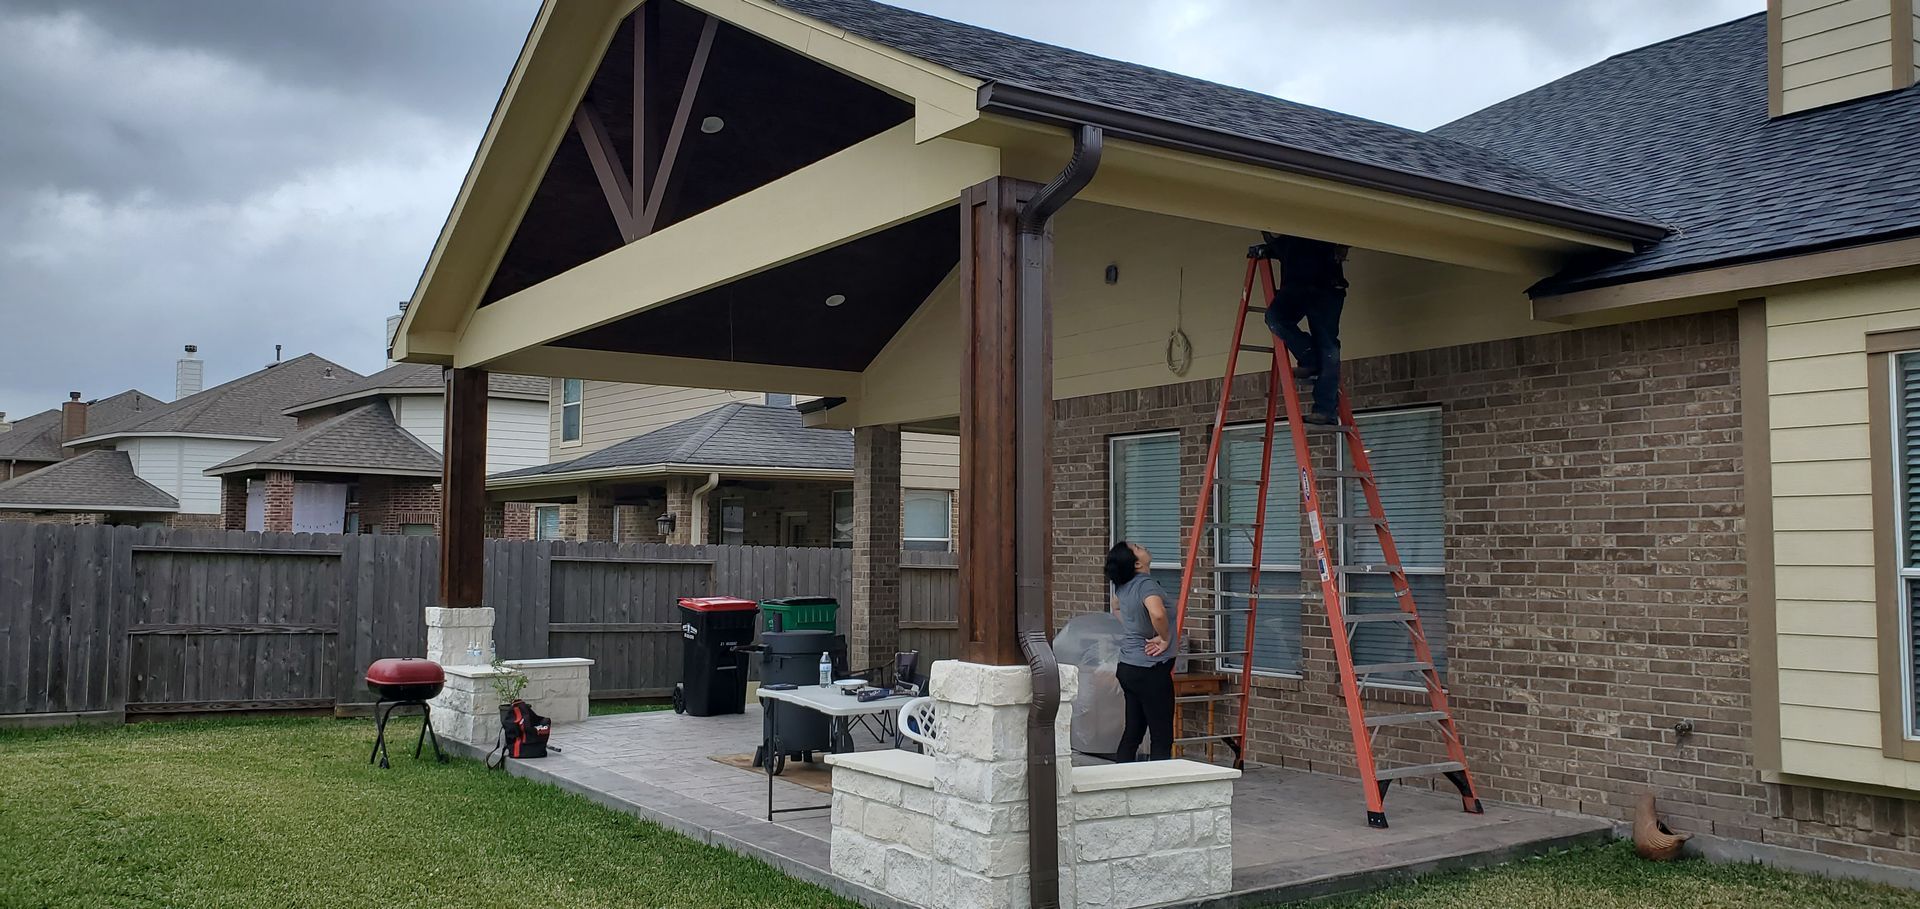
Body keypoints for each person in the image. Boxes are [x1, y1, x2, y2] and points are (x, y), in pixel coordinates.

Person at [1261, 235, 1349, 424]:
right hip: (1296, 288)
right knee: (1275, 318)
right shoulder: (1286, 236)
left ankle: (1325, 410)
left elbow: (1347, 233)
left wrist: (1342, 244)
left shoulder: (1319, 226)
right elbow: (1271, 240)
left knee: (1328, 347)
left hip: (1326, 287)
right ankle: (1310, 358)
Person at [1105, 540, 1173, 762]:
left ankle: (1121, 782)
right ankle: (1159, 790)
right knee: (1161, 736)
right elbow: (1158, 614)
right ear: (1136, 563)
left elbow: (1115, 606)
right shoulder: (1146, 585)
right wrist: (1164, 638)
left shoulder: (1123, 585)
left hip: (1128, 667)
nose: (1144, 546)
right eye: (1137, 547)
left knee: (1133, 731)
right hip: (1150, 669)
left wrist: (1134, 628)